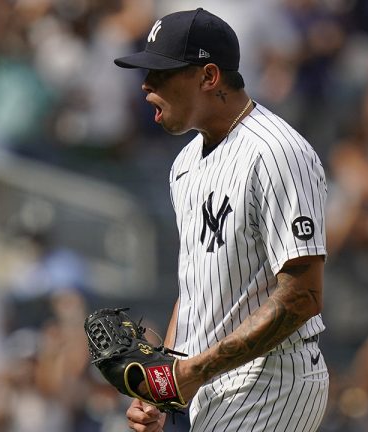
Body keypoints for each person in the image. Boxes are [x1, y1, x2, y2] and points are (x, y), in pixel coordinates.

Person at [114, 8, 329, 431]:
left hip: (273, 381)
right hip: (212, 381)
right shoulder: (185, 163)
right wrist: (163, 385)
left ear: (209, 76)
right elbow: (195, 288)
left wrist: (192, 373)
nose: (146, 85)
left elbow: (303, 295)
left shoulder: (277, 152)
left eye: (161, 74)